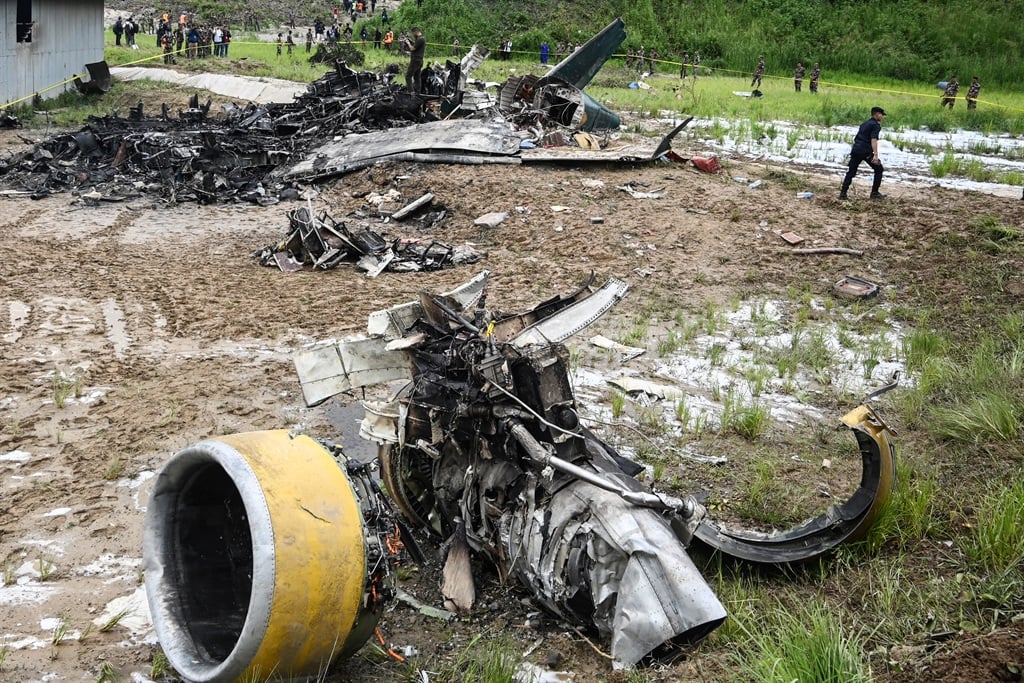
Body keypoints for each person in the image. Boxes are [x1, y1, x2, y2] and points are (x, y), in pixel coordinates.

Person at [839, 106, 887, 200]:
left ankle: (843, 193)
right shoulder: (876, 125)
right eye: (881, 115)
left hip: (856, 149)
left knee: (851, 172)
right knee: (879, 169)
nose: (882, 117)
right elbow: (874, 140)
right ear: (877, 114)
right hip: (865, 151)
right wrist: (876, 156)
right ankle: (874, 193)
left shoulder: (865, 123)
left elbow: (857, 137)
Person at [403, 26, 426, 93]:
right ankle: (418, 92)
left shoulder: (420, 39)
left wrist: (408, 43)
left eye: (413, 33)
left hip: (415, 60)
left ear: (416, 32)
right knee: (417, 77)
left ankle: (411, 92)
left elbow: (412, 48)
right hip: (420, 60)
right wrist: (410, 41)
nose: (413, 35)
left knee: (408, 76)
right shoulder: (421, 38)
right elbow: (416, 45)